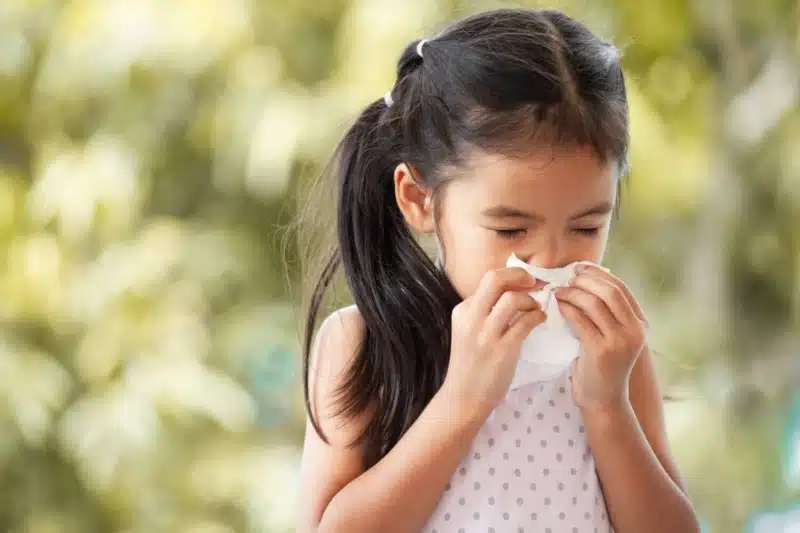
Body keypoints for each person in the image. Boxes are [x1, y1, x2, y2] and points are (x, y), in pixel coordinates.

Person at [295, 7, 700, 533]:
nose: (551, 262)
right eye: (511, 231)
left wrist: (607, 407)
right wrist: (464, 399)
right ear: (419, 200)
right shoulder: (365, 343)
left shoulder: (611, 352)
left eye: (585, 228)